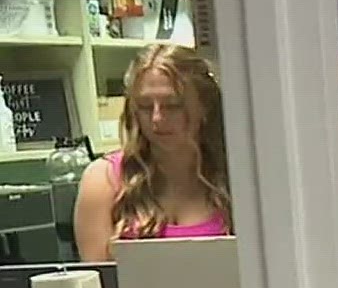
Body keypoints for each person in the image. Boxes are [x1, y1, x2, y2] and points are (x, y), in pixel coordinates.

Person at [74, 44, 231, 262]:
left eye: (173, 105)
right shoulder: (104, 180)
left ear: (204, 106)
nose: (157, 118)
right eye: (146, 106)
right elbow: (99, 286)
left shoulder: (236, 177)